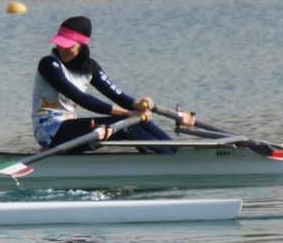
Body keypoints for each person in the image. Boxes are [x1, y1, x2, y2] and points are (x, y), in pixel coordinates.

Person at [31, 15, 192, 150]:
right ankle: (169, 160)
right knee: (127, 122)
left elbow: (118, 95)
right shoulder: (49, 64)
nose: (62, 49)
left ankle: (174, 150)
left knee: (139, 120)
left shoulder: (90, 68)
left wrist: (139, 105)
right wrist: (127, 113)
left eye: (68, 46)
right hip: (50, 131)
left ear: (82, 45)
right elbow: (81, 99)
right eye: (59, 43)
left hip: (70, 129)